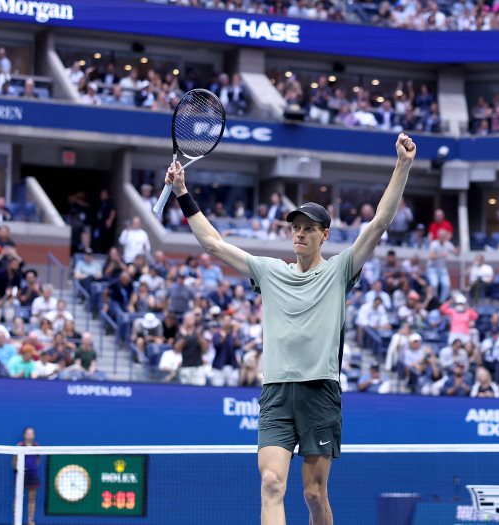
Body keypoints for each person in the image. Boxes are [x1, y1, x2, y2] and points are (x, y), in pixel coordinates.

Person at [163, 132, 416, 525]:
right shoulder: (269, 271)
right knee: (270, 482)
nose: (300, 232)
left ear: (324, 235)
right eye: (296, 226)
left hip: (320, 392)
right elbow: (213, 243)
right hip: (277, 394)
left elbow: (380, 222)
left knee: (314, 495)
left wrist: (403, 165)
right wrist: (182, 192)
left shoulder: (339, 270)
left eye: (309, 228)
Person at [13, 427, 40, 525]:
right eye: (28, 433)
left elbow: (38, 460)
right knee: (18, 497)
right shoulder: (19, 446)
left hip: (33, 476)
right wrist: (17, 469)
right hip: (21, 475)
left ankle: (30, 521)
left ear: (33, 436)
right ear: (24, 435)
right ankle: (16, 520)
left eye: (31, 433)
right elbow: (14, 459)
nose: (30, 435)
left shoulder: (37, 447)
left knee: (32, 498)